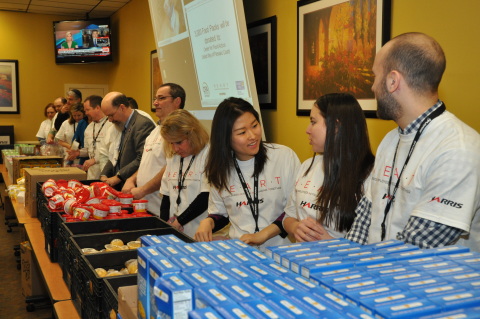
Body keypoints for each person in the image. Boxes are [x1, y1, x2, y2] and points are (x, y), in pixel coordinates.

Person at [341, 32, 480, 251]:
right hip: (378, 273)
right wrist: (347, 260)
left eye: (375, 77)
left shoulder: (458, 149)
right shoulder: (390, 139)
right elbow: (366, 215)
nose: (372, 87)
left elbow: (417, 245)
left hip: (429, 281)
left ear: (393, 81)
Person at [194, 97, 300, 251]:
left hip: (282, 252)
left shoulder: (283, 157)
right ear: (225, 138)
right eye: (242, 132)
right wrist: (208, 222)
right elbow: (220, 213)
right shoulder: (220, 168)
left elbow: (294, 208)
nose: (252, 135)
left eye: (255, 125)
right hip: (242, 253)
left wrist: (262, 235)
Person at [283, 93, 375, 242]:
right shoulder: (307, 165)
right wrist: (295, 228)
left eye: (313, 122)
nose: (307, 129)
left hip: (342, 261)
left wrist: (331, 243)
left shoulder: (371, 175)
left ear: (336, 127)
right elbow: (288, 216)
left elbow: (374, 238)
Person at [123, 83, 186, 214]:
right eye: (155, 99)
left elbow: (171, 167)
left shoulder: (180, 131)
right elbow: (148, 163)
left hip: (163, 209)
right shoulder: (155, 130)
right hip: (145, 205)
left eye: (161, 98)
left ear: (177, 101)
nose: (156, 103)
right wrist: (132, 179)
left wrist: (143, 190)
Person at [159, 109, 210, 238]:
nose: (175, 148)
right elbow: (166, 196)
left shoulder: (208, 154)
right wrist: (164, 227)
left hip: (198, 232)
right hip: (174, 230)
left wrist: (180, 221)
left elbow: (206, 196)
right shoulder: (173, 157)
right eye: (171, 143)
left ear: (192, 134)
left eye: (179, 142)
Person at [100, 92, 156, 190]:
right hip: (121, 186)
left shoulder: (142, 124)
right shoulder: (120, 124)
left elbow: (142, 158)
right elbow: (114, 155)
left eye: (111, 115)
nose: (110, 120)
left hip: (134, 186)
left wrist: (118, 177)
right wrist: (104, 174)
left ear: (122, 107)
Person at [67, 95, 112, 179]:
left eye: (88, 110)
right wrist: (79, 153)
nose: (86, 113)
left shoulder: (111, 125)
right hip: (92, 172)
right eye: (85, 110)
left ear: (98, 108)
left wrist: (95, 160)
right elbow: (88, 150)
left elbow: (112, 151)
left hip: (107, 171)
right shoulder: (89, 128)